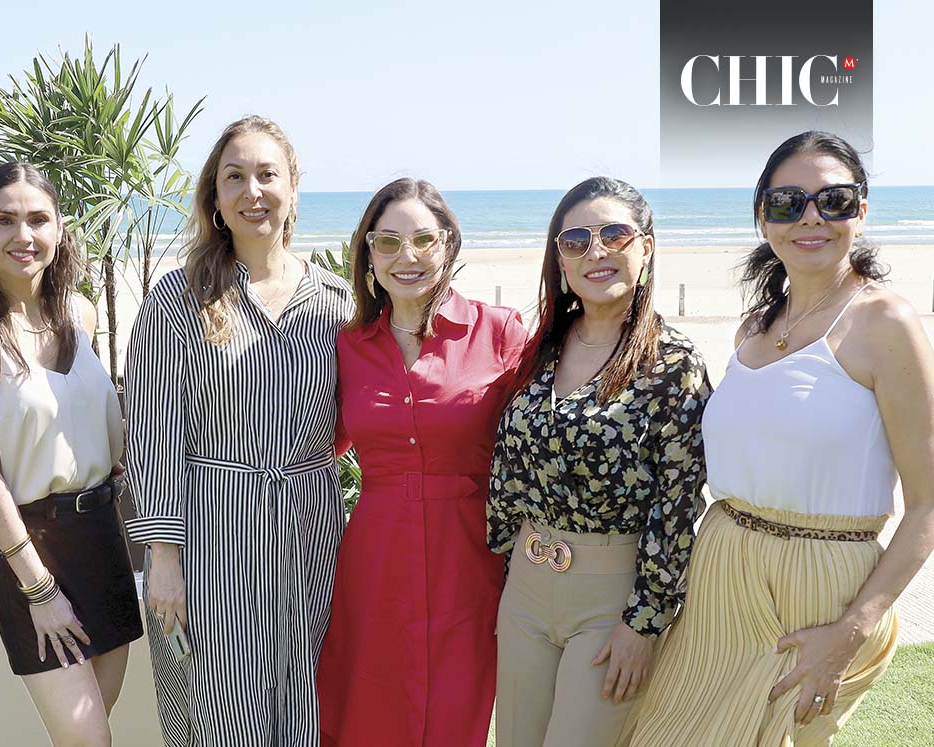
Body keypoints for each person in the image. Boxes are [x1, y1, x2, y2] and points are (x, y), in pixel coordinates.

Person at [625, 131, 934, 746]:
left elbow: (928, 504)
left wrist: (852, 630)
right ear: (763, 216)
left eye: (834, 200)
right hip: (719, 573)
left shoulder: (885, 323)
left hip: (823, 588)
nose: (811, 216)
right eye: (789, 202)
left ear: (862, 210)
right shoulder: (753, 328)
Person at [124, 115, 353, 746]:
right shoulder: (175, 299)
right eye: (235, 177)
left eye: (266, 174)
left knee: (312, 706)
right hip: (213, 536)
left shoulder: (337, 301)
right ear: (216, 199)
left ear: (294, 188)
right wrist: (162, 561)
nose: (253, 190)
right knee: (221, 714)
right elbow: (151, 437)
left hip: (315, 533)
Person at [487, 177, 711, 746]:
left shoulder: (673, 363)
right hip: (526, 591)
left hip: (611, 603)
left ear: (647, 246)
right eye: (576, 240)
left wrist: (644, 622)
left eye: (615, 234)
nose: (596, 251)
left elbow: (679, 501)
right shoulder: (539, 349)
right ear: (558, 256)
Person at [315, 178, 526, 746]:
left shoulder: (501, 332)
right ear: (368, 256)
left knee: (460, 711)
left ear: (449, 245)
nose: (406, 257)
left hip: (472, 559)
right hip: (372, 562)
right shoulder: (347, 345)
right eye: (387, 242)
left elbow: (541, 445)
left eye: (423, 240)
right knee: (366, 708)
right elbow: (308, 453)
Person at [0, 161, 142, 745]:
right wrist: (39, 590)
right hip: (34, 550)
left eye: (37, 220)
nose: (22, 236)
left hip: (104, 539)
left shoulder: (79, 313)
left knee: (93, 731)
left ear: (59, 229)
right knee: (89, 740)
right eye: (4, 221)